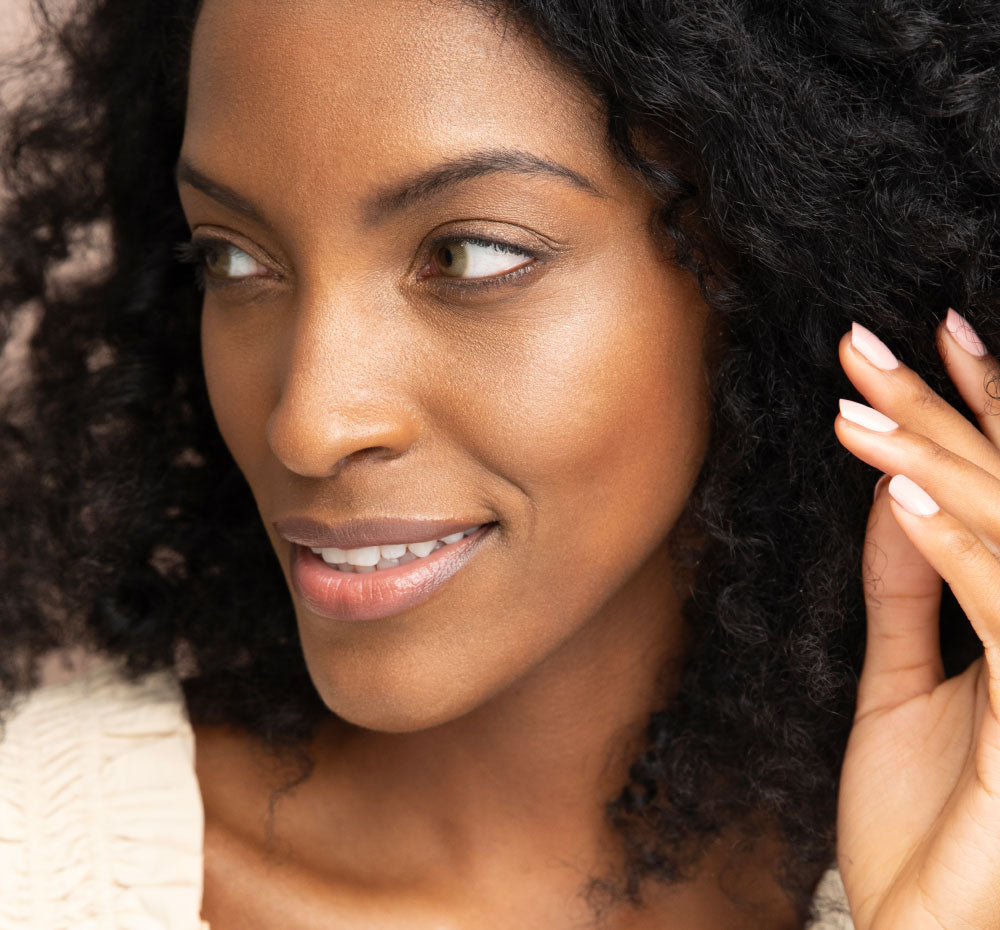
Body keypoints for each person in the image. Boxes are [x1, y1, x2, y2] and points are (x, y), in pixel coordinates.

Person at [0, 0, 997, 927]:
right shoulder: (41, 866)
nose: (307, 423)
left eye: (469, 255)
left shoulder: (946, 863)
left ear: (770, 263)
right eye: (233, 258)